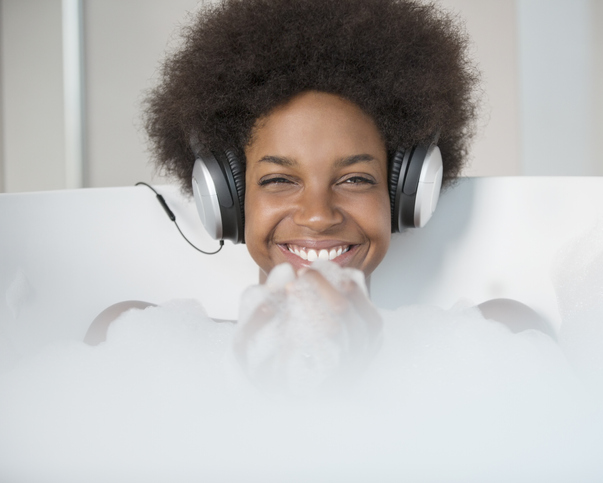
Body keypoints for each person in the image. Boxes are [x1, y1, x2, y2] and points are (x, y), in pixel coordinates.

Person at [85, 0, 552, 386]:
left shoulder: (499, 342)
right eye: (279, 180)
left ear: (405, 193)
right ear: (227, 198)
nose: (317, 215)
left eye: (354, 179)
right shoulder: (132, 344)